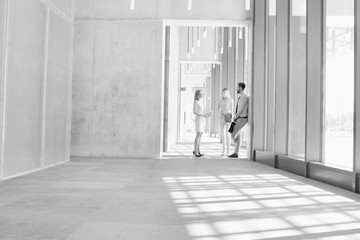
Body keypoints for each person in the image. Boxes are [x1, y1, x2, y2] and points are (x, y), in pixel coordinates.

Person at [228, 82, 248, 158]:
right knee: (239, 135)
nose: (236, 88)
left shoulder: (244, 97)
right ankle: (236, 152)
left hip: (242, 118)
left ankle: (237, 146)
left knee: (232, 134)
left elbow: (241, 109)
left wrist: (235, 117)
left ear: (240, 88)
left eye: (237, 87)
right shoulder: (240, 97)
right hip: (240, 118)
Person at [193, 90, 212, 157]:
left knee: (200, 135)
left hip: (202, 119)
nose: (202, 94)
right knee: (198, 135)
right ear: (198, 94)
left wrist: (207, 114)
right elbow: (194, 112)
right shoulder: (196, 102)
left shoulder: (200, 102)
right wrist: (203, 115)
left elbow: (202, 112)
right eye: (201, 93)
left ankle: (198, 150)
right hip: (198, 119)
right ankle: (195, 151)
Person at [218, 88, 234, 156]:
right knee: (222, 133)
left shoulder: (231, 100)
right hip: (222, 116)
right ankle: (224, 150)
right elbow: (218, 108)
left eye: (225, 92)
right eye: (223, 92)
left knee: (228, 134)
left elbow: (232, 109)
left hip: (228, 116)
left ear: (227, 93)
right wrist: (220, 111)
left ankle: (228, 150)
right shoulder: (220, 100)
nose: (224, 94)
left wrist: (232, 118)